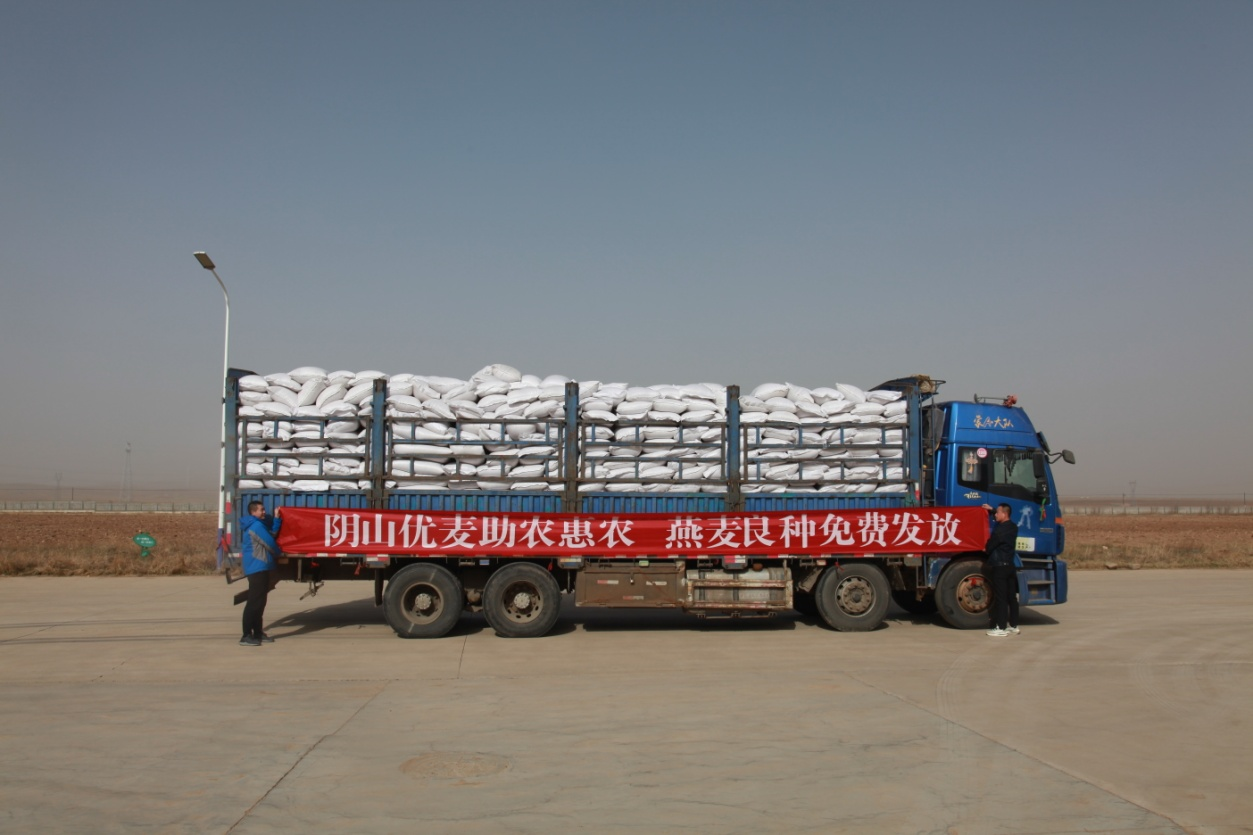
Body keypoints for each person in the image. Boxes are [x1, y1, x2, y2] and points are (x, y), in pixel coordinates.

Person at [239, 502, 281, 646]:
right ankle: (246, 635)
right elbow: (270, 543)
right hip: (257, 567)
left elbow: (271, 534)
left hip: (260, 566)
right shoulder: (256, 526)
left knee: (260, 602)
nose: (264, 512)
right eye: (261, 510)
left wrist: (276, 519)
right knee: (254, 603)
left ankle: (257, 633)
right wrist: (280, 553)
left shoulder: (258, 525)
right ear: (253, 512)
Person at [982, 502, 1020, 637]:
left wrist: (986, 548)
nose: (995, 515)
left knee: (1001, 598)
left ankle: (1001, 627)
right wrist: (992, 509)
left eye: (997, 513)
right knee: (1011, 597)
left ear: (1004, 514)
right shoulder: (1013, 527)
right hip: (1010, 565)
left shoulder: (999, 530)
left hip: (999, 567)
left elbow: (989, 547)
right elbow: (1002, 515)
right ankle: (1014, 625)